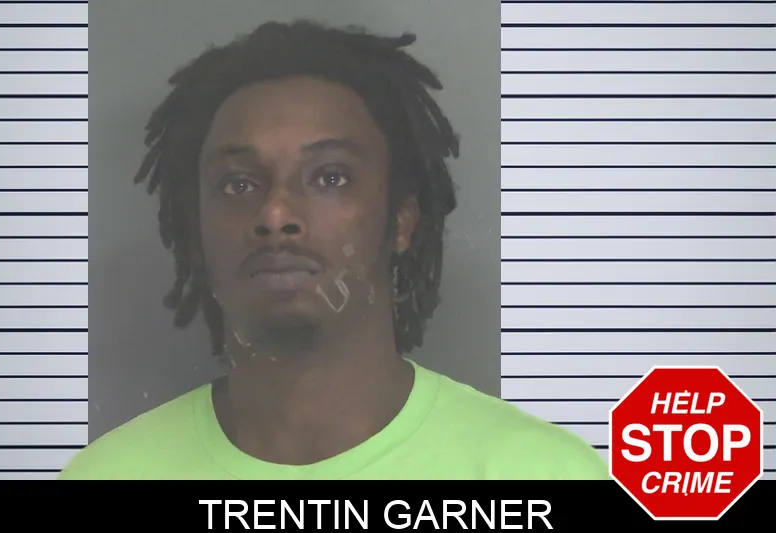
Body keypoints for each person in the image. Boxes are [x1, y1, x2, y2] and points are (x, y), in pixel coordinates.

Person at [60, 20, 608, 480]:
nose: (276, 213)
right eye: (238, 183)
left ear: (401, 221)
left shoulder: (539, 475)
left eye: (330, 177)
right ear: (196, 229)